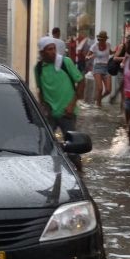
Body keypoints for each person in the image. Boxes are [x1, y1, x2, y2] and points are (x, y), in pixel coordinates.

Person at [35, 36, 84, 169]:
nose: (53, 52)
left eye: (54, 48)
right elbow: (41, 90)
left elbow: (80, 81)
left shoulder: (65, 62)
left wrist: (72, 104)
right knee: (44, 146)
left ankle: (80, 175)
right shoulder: (38, 68)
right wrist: (43, 107)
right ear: (42, 52)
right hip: (50, 114)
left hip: (67, 113)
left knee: (73, 150)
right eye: (49, 49)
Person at [86, 31, 112, 107]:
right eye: (100, 39)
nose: (102, 41)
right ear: (98, 39)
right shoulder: (94, 46)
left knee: (108, 90)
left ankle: (98, 99)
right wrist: (90, 57)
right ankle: (98, 105)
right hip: (97, 67)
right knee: (100, 88)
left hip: (107, 67)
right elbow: (87, 57)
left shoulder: (108, 45)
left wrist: (118, 51)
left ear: (106, 39)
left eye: (104, 40)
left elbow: (110, 53)